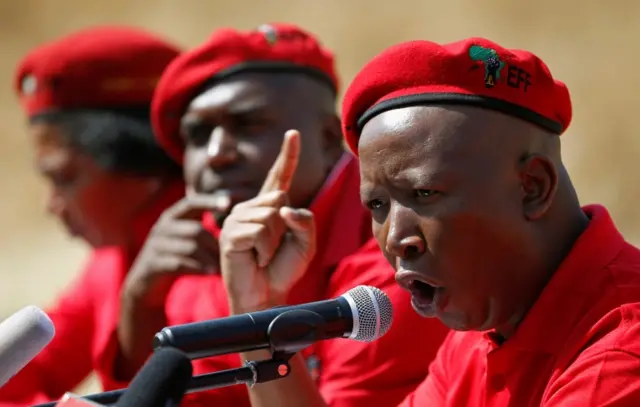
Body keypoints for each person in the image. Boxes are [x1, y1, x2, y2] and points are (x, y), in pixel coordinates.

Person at [116, 23, 449, 407]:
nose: (216, 153)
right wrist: (139, 302)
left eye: (247, 126)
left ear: (326, 139)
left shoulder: (399, 257)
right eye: (198, 135)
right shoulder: (210, 252)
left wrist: (254, 311)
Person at [337, 38, 640, 406]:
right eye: (377, 204)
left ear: (532, 187)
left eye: (425, 194)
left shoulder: (620, 355)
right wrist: (261, 321)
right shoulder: (484, 325)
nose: (397, 238)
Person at [0, 26, 183, 406]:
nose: (52, 204)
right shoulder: (110, 261)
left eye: (64, 178)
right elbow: (29, 370)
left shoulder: (222, 257)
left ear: (138, 158)